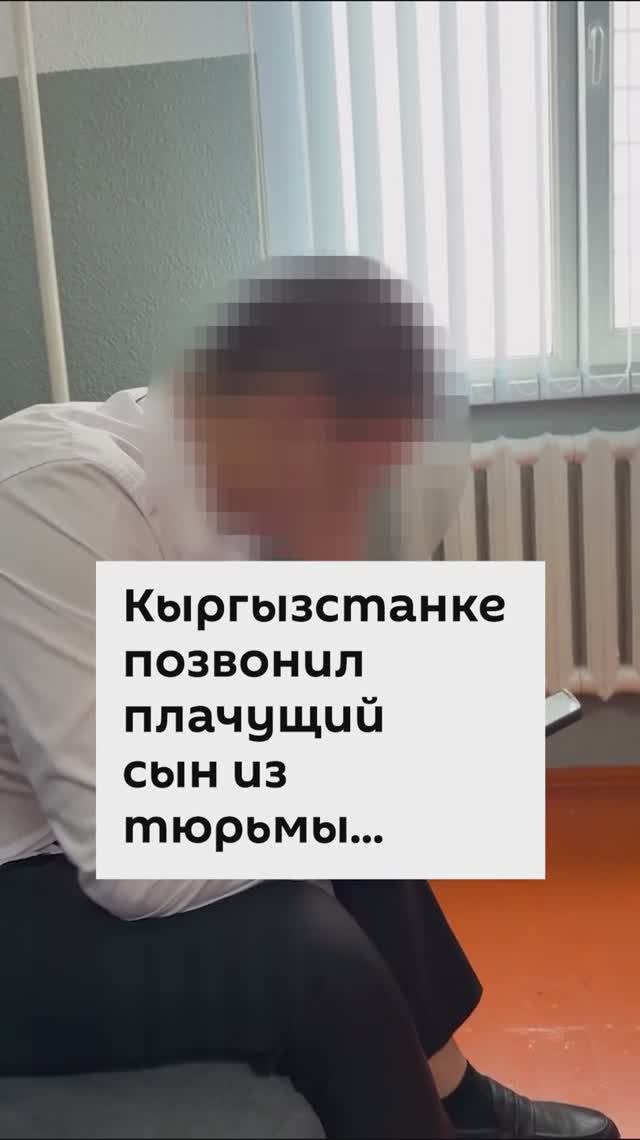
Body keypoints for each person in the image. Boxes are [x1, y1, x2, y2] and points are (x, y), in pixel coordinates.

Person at [0, 258, 619, 1140]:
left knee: (352, 795)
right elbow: (129, 863)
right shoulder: (60, 496)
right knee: (310, 947)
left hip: (69, 818)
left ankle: (454, 1094)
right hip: (23, 872)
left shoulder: (230, 495)